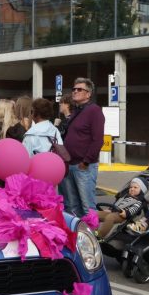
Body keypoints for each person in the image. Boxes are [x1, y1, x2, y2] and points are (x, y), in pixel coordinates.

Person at [62, 78, 105, 217]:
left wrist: (86, 161)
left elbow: (97, 139)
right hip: (70, 164)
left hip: (84, 166)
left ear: (88, 94)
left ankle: (92, 237)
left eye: (79, 89)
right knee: (72, 206)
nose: (75, 91)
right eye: (74, 89)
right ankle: (77, 236)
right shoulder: (77, 111)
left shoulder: (94, 111)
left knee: (87, 207)